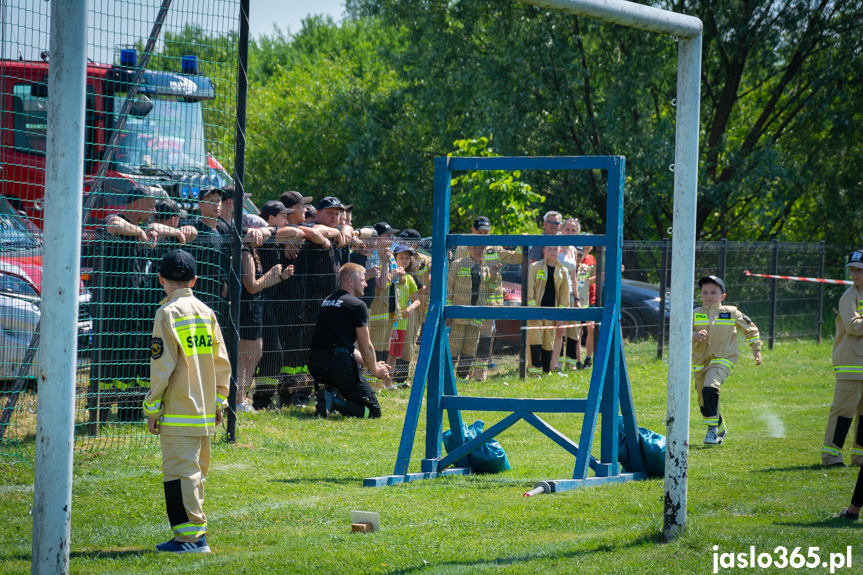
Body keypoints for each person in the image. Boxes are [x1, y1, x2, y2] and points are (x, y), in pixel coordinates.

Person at [143, 249, 231, 553]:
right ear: (194, 279)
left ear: (160, 279)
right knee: (195, 476)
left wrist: (152, 408)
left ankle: (192, 540)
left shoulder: (166, 313)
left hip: (180, 412)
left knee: (180, 478)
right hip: (205, 412)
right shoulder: (207, 312)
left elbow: (162, 367)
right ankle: (194, 535)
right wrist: (220, 404)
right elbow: (222, 364)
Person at [91, 185, 158, 422]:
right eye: (150, 204)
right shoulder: (117, 220)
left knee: (132, 360)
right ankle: (98, 416)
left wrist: (146, 237)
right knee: (109, 362)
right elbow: (112, 225)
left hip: (135, 308)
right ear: (137, 202)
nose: (153, 209)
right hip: (112, 310)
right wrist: (139, 233)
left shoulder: (142, 229)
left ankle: (129, 414)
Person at [308, 263, 390, 418]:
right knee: (373, 411)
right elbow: (366, 348)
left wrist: (371, 364)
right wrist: (376, 371)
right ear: (350, 281)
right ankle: (334, 401)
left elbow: (344, 345)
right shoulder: (357, 305)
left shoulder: (327, 301)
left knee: (342, 379)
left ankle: (330, 394)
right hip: (339, 368)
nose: (366, 283)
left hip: (317, 366)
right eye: (362, 280)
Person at [692, 275, 762, 445]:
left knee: (710, 388)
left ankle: (712, 432)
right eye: (705, 292)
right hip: (699, 361)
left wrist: (756, 350)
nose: (709, 296)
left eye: (714, 292)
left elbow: (750, 329)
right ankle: (720, 425)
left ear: (722, 296)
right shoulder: (694, 313)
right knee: (703, 399)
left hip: (724, 358)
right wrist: (693, 334)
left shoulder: (731, 312)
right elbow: (681, 331)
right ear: (699, 295)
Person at [453, 216, 521, 380]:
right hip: (468, 300)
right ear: (473, 230)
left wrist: (521, 242)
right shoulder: (463, 247)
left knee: (484, 337)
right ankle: (459, 373)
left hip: (490, 299)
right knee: (465, 337)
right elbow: (455, 273)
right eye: (480, 232)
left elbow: (515, 257)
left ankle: (479, 375)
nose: (484, 235)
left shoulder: (494, 246)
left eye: (487, 232)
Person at [236, 217, 291, 413]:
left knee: (256, 353)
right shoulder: (244, 253)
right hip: (247, 308)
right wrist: (272, 276)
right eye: (259, 232)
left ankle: (242, 397)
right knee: (245, 356)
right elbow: (251, 286)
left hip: (255, 308)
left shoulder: (253, 251)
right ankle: (238, 400)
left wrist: (280, 277)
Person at [822, 250, 863, 467]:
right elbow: (853, 327)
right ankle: (831, 456)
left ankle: (859, 456)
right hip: (851, 364)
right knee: (843, 411)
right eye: (852, 270)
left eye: (860, 270)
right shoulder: (849, 296)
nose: (855, 274)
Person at [447, 244, 498, 380]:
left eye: (481, 249)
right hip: (459, 315)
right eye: (475, 248)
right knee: (454, 346)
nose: (478, 251)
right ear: (468, 248)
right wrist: (449, 310)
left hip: (476, 317)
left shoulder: (486, 269)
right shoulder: (458, 264)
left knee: (470, 347)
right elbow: (449, 288)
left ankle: (461, 377)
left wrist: (494, 276)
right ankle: (447, 376)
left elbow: (489, 291)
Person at [526, 245, 570, 376]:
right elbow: (530, 291)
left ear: (560, 251)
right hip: (537, 312)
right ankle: (534, 371)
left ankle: (546, 371)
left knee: (548, 342)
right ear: (543, 250)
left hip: (552, 313)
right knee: (535, 341)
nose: (552, 252)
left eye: (555, 249)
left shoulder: (563, 270)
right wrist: (532, 310)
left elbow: (564, 296)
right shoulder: (535, 267)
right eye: (549, 249)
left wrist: (560, 315)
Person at [388, 244, 421, 387]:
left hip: (401, 323)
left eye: (407, 258)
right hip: (387, 321)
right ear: (395, 258)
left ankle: (388, 383)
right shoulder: (388, 274)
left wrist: (410, 308)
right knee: (386, 351)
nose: (404, 260)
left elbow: (417, 300)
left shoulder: (409, 278)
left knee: (395, 354)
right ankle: (381, 382)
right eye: (401, 257)